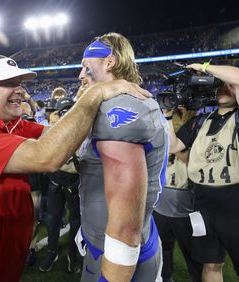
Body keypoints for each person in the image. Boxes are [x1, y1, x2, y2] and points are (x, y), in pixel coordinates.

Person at [0, 54, 150, 282]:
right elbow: (46, 156)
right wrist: (94, 94)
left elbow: (55, 134)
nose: (19, 90)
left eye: (19, 83)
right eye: (8, 84)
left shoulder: (7, 123)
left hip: (3, 255)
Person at [165, 63, 239, 282]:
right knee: (211, 264)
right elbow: (174, 146)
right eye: (220, 85)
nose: (224, 88)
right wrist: (167, 116)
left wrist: (205, 67)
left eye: (229, 85)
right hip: (204, 204)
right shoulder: (200, 122)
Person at [76, 33, 168, 282]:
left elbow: (126, 227)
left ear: (109, 62)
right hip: (108, 238)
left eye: (86, 66)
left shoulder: (118, 109)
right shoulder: (108, 103)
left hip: (118, 252)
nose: (80, 75)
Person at [153, 108, 202, 282]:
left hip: (185, 207)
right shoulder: (158, 143)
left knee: (193, 253)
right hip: (161, 205)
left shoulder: (189, 143)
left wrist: (176, 149)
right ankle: (166, 276)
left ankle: (195, 277)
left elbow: (195, 162)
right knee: (164, 248)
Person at [38, 97, 82, 273]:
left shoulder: (84, 128)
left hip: (75, 181)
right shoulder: (51, 129)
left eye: (69, 110)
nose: (66, 114)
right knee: (53, 220)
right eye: (63, 111)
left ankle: (73, 254)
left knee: (75, 221)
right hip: (56, 180)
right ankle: (52, 251)